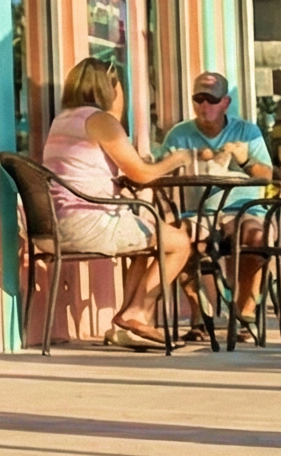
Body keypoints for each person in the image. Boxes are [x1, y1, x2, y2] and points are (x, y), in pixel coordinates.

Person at [41, 56, 196, 349]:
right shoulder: (100, 120)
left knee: (147, 236)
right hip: (88, 223)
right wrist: (176, 159)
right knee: (179, 242)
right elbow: (142, 174)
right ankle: (136, 313)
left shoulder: (62, 120)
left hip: (56, 222)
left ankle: (127, 323)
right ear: (109, 88)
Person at [163, 72, 276, 340]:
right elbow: (161, 173)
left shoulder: (247, 132)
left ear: (225, 102)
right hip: (199, 212)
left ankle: (245, 310)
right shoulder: (179, 135)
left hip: (243, 209)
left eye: (211, 100)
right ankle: (200, 315)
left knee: (256, 237)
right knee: (178, 236)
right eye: (198, 99)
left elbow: (268, 176)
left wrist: (245, 160)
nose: (204, 106)